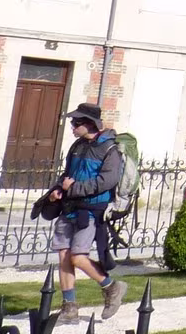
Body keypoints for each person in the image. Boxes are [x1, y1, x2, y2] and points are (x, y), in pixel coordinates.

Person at [43, 103, 128, 324]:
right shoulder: (78, 146)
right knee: (63, 255)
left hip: (90, 211)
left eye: (76, 123)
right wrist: (58, 190)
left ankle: (112, 287)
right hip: (68, 207)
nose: (72, 126)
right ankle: (69, 307)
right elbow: (67, 174)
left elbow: (106, 181)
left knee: (78, 257)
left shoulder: (110, 150)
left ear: (89, 124)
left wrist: (74, 188)